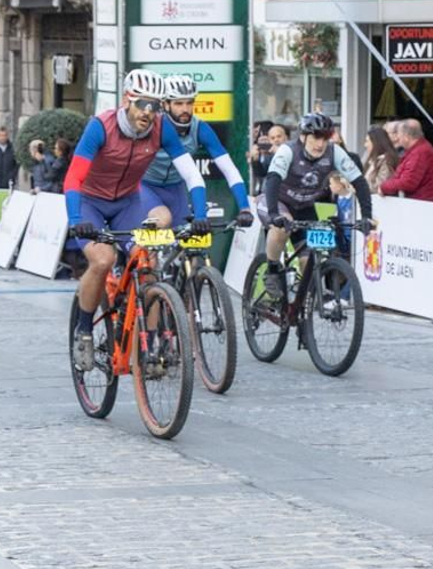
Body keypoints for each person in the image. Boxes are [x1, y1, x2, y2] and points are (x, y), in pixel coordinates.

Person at [64, 69, 210, 371]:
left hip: (128, 203)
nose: (149, 112)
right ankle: (84, 331)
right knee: (103, 260)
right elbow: (74, 177)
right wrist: (77, 218)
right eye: (143, 103)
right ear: (127, 100)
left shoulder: (161, 129)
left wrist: (201, 214)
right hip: (91, 204)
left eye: (156, 106)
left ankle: (150, 345)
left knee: (147, 265)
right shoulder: (100, 127)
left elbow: (191, 173)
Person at [258, 112, 376, 300]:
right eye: (315, 137)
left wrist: (366, 216)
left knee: (308, 261)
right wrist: (273, 214)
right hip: (277, 201)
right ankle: (272, 270)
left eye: (325, 138)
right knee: (282, 227)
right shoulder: (288, 150)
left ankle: (303, 310)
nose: (320, 143)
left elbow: (359, 182)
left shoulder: (334, 152)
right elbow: (273, 180)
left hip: (305, 206)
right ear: (303, 136)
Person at [138, 75, 250, 226]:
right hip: (145, 185)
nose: (185, 109)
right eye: (178, 103)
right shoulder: (153, 126)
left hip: (175, 189)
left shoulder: (200, 129)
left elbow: (229, 169)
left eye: (189, 103)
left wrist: (245, 208)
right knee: (160, 225)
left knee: (191, 241)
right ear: (165, 105)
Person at [380, 120, 433, 202]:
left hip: (420, 206)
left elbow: (408, 182)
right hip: (417, 204)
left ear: (407, 137)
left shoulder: (420, 152)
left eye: (399, 135)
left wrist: (384, 187)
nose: (398, 138)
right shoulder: (416, 150)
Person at [363, 126, 400, 194]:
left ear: (375, 142)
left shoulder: (387, 161)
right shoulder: (373, 160)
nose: (365, 145)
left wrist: (359, 186)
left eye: (367, 141)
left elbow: (380, 186)